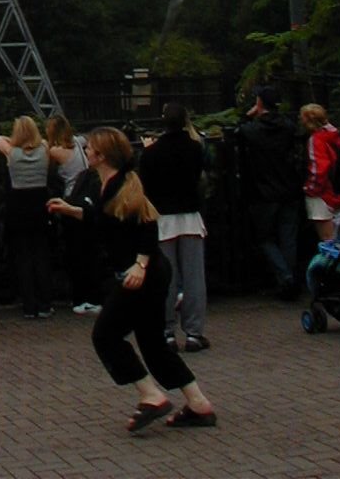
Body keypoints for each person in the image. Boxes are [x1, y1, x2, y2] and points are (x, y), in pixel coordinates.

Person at [48, 127, 217, 432]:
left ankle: (151, 396)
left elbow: (148, 226)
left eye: (90, 148)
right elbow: (105, 219)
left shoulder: (125, 184)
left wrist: (140, 264)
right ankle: (198, 403)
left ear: (102, 156)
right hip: (143, 274)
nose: (86, 151)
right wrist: (72, 211)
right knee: (154, 345)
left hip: (142, 275)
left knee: (106, 336)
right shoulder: (106, 184)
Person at [139, 103, 209, 351]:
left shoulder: (151, 153)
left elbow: (145, 186)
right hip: (189, 215)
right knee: (194, 277)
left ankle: (167, 332)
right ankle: (194, 332)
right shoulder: (195, 148)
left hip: (163, 218)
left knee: (165, 278)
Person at [238, 85, 300, 299]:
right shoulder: (288, 127)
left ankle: (285, 277)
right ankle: (289, 278)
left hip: (263, 190)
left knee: (265, 238)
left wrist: (247, 116)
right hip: (289, 187)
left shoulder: (252, 131)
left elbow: (239, 131)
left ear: (259, 103)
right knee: (288, 236)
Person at [0, 116, 53, 318]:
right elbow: (44, 141)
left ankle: (29, 305)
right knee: (41, 255)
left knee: (23, 257)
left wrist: (14, 141)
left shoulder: (12, 153)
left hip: (18, 207)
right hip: (40, 205)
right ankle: (45, 303)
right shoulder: (44, 148)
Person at [45, 113, 101, 315]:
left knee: (74, 252)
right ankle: (93, 296)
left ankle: (81, 296)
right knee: (90, 250)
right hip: (88, 196)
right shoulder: (79, 142)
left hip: (70, 199)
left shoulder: (54, 151)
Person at [299, 103, 340, 242]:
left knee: (328, 239)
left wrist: (310, 189)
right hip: (337, 189)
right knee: (339, 235)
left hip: (322, 195)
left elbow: (319, 168)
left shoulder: (316, 140)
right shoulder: (333, 136)